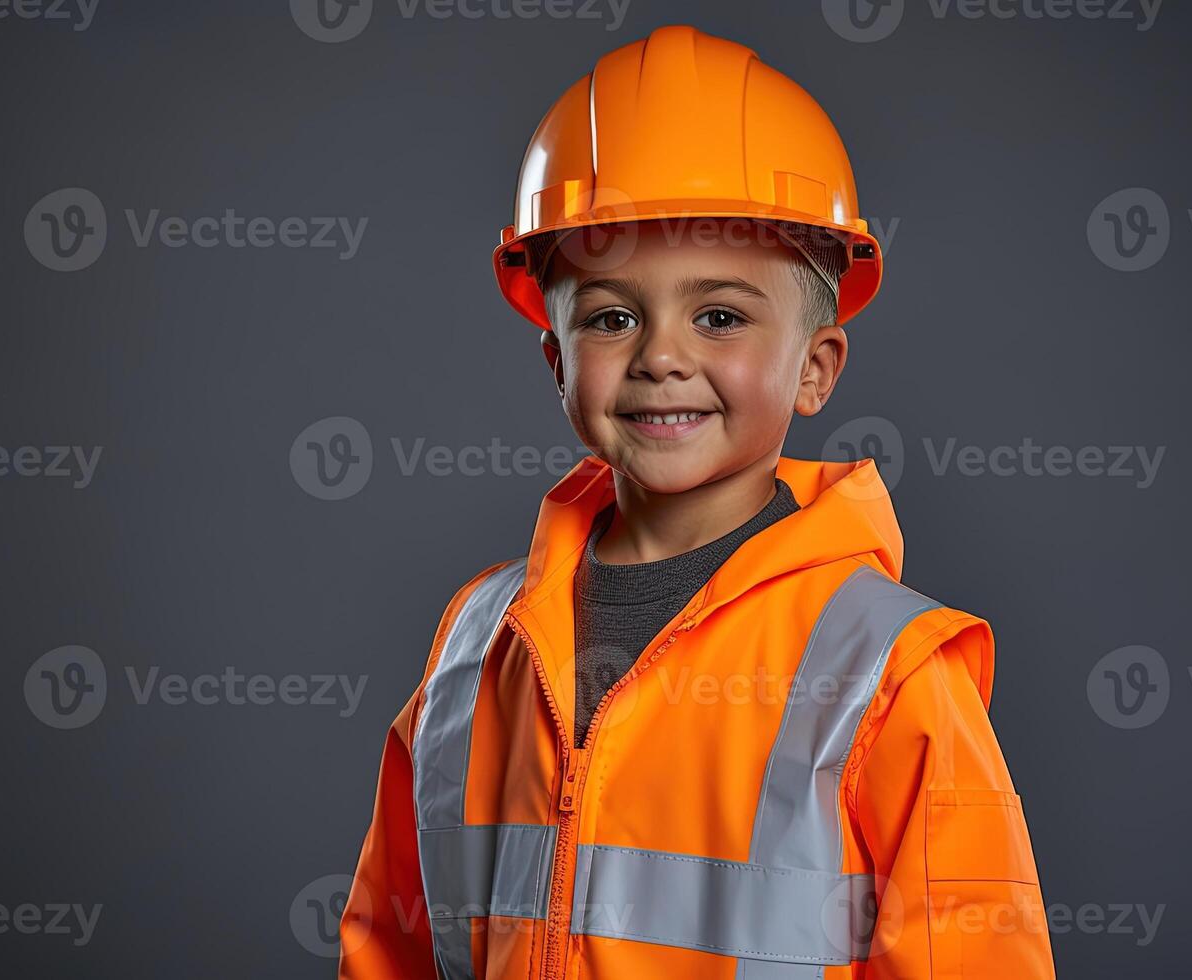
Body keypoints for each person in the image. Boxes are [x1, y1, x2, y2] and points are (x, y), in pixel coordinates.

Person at [339, 24, 1056, 979]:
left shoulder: (887, 677)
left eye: (719, 315)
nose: (661, 355)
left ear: (816, 368)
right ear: (557, 361)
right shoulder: (476, 647)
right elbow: (389, 947)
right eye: (611, 316)